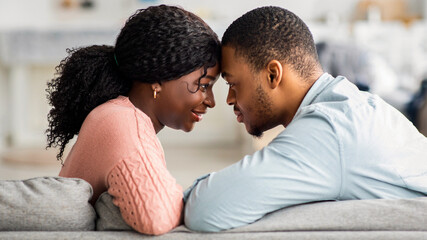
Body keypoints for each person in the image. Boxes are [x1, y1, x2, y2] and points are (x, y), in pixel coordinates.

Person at [184, 6, 427, 232]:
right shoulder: (357, 105)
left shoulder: (328, 130)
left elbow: (203, 209)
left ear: (272, 74)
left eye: (233, 84)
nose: (228, 99)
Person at [45, 5, 220, 235]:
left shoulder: (120, 114)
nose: (211, 101)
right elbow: (157, 217)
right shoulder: (123, 122)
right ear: (158, 78)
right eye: (204, 85)